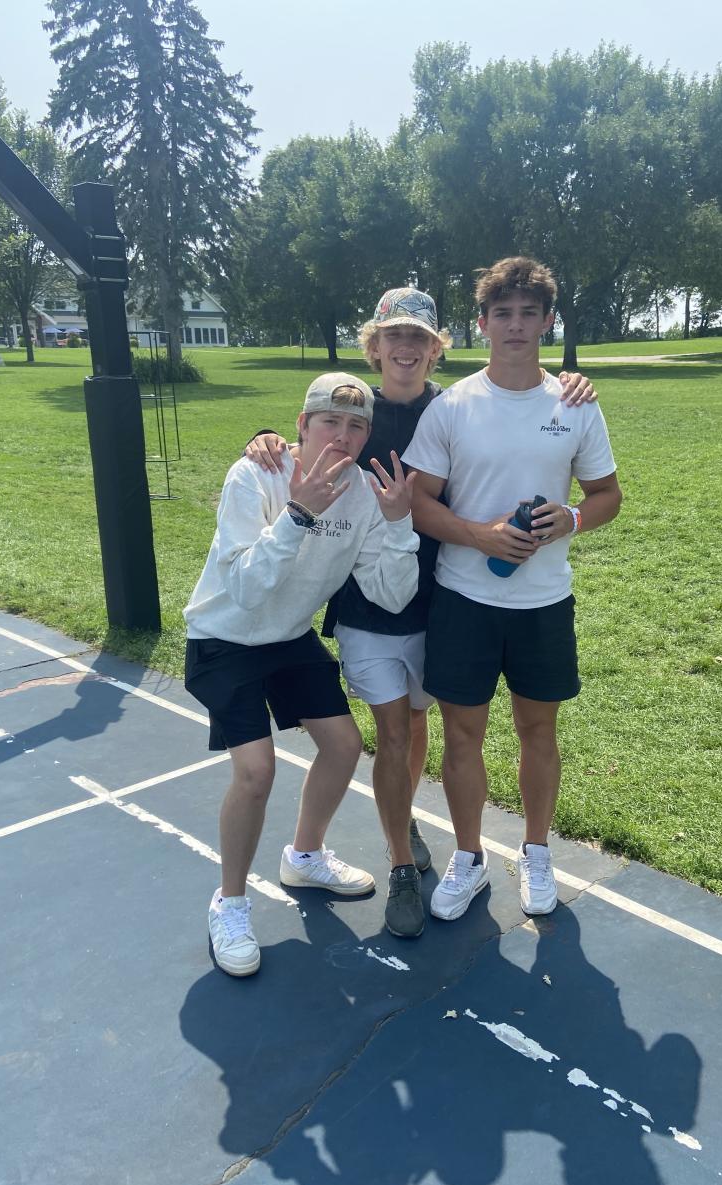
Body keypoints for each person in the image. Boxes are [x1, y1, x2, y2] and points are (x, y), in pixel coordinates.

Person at [246, 289, 598, 939]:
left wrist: (566, 386)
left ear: (437, 348)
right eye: (393, 336)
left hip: (445, 596)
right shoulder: (358, 409)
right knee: (396, 731)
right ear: (374, 345)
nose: (405, 348)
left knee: (417, 723)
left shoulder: (454, 406)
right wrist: (263, 439)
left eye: (419, 337)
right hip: (370, 599)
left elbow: (519, 413)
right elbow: (309, 436)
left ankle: (404, 815)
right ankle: (403, 864)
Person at [402, 256, 622, 924]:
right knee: (462, 735)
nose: (516, 325)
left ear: (548, 321)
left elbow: (607, 495)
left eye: (530, 313)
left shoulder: (576, 404)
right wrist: (480, 536)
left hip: (543, 603)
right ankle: (469, 857)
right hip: (464, 600)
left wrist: (573, 519)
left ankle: (536, 851)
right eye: (504, 313)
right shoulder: (452, 406)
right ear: (483, 323)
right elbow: (418, 503)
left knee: (538, 730)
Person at [184, 372, 419, 975]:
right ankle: (230, 903)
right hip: (225, 636)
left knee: (343, 745)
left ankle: (304, 856)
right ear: (302, 425)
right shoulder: (255, 474)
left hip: (288, 637)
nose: (342, 435)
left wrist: (398, 524)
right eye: (329, 422)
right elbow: (245, 589)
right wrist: (298, 513)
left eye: (356, 425)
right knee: (256, 772)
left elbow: (391, 595)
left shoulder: (366, 493)